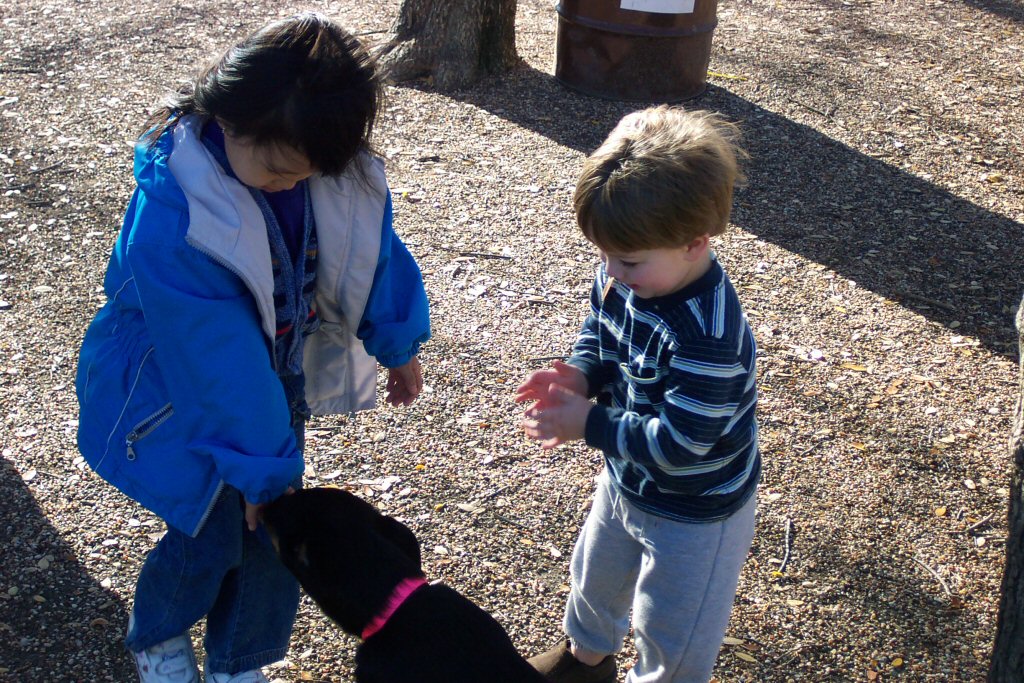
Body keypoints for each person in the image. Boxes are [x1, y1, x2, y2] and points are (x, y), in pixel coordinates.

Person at [74, 13, 430, 683]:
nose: (292, 185)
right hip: (177, 388)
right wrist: (264, 475)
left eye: (306, 174)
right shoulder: (177, 214)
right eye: (278, 172)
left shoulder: (316, 167)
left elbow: (369, 252)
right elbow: (215, 358)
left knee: (273, 541)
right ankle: (159, 635)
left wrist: (397, 339)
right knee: (209, 531)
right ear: (230, 120)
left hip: (267, 382)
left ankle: (239, 661)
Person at [515, 106, 759, 683]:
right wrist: (581, 375)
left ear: (695, 243)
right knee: (594, 579)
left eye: (626, 261)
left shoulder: (707, 336)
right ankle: (585, 662)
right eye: (603, 255)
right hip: (627, 474)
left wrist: (589, 423)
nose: (611, 272)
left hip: (696, 506)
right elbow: (601, 333)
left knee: (673, 627)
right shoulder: (629, 272)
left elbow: (681, 443)